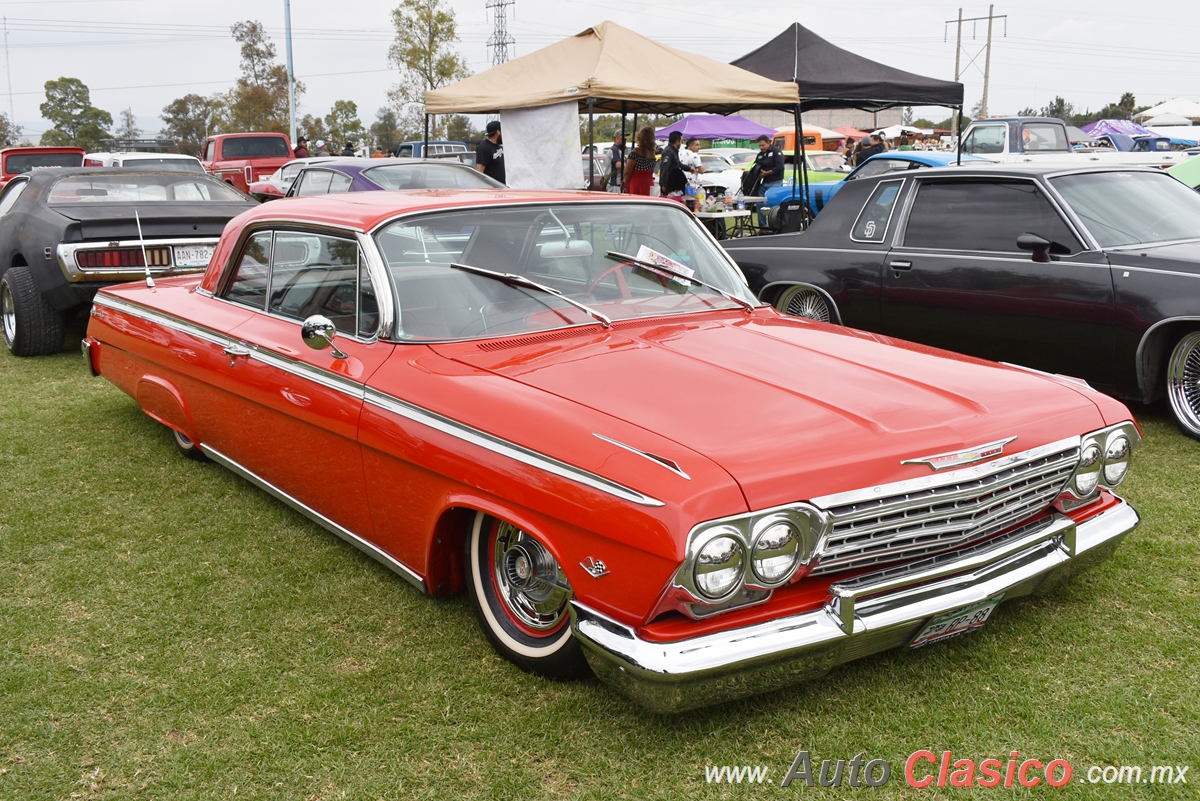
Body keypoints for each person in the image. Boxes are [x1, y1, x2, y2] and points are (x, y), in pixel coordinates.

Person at [623, 126, 657, 196]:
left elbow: (627, 171)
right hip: (649, 184)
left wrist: (625, 181)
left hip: (636, 184)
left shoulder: (636, 151)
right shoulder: (652, 152)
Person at [658, 130, 687, 200]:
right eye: (681, 141)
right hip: (670, 184)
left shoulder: (674, 151)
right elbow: (665, 167)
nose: (681, 143)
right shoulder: (668, 151)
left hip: (675, 183)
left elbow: (679, 164)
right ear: (677, 142)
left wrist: (689, 168)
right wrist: (664, 184)